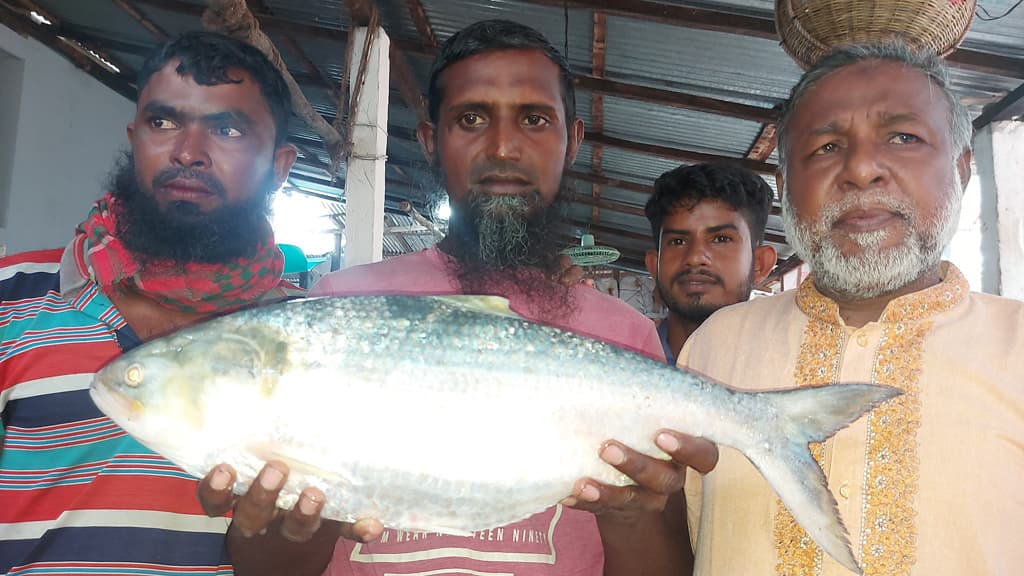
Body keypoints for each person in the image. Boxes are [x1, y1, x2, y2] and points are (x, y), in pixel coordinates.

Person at [197, 19, 719, 576]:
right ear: (429, 140)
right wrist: (289, 513)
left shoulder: (624, 335)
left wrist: (632, 516)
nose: (502, 147)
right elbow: (266, 567)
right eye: (471, 118)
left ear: (574, 142)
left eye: (535, 119)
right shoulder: (338, 310)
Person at [679, 40, 1024, 575]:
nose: (861, 169)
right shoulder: (715, 345)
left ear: (961, 170)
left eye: (903, 137)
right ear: (786, 185)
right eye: (826, 147)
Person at [0, 31, 300, 575]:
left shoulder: (301, 336)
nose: (187, 152)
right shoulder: (10, 294)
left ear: (280, 165)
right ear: (134, 137)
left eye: (228, 129)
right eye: (163, 123)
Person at [644, 162, 777, 364]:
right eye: (678, 242)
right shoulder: (611, 372)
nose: (695, 257)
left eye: (721, 239)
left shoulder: (786, 373)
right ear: (655, 265)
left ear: (759, 263)